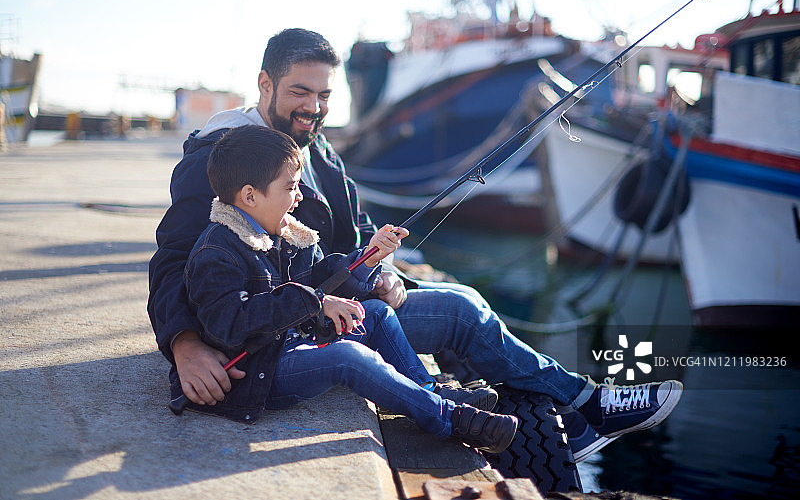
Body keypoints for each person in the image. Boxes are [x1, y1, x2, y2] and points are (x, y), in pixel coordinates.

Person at [148, 28, 683, 453]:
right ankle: (583, 405)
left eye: (325, 94)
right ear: (265, 86)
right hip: (277, 328)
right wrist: (185, 345)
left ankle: (578, 409)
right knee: (463, 313)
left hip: (338, 302)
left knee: (466, 302)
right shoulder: (221, 157)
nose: (314, 107)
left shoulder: (320, 152)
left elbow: (352, 234)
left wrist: (380, 269)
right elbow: (174, 260)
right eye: (299, 92)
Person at [180, 124, 518, 452]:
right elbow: (231, 323)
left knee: (377, 313)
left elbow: (321, 274)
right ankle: (449, 418)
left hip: (291, 341)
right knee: (348, 357)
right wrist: (316, 302)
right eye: (290, 187)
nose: (299, 197)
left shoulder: (283, 232)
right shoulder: (216, 253)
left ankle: (429, 390)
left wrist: (368, 258)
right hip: (261, 371)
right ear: (250, 196)